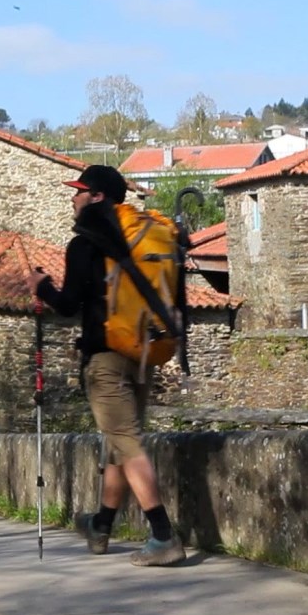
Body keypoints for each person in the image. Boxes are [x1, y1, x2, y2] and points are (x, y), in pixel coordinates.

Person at [26, 164, 186, 567]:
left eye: (79, 191)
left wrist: (40, 286)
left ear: (97, 197)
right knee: (117, 443)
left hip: (107, 360)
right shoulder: (144, 234)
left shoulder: (86, 242)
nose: (73, 197)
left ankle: (163, 536)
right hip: (144, 353)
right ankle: (100, 526)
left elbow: (68, 305)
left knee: (126, 443)